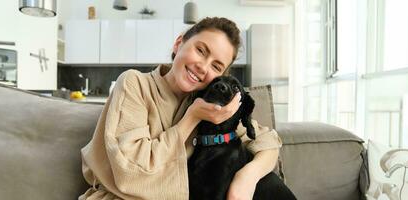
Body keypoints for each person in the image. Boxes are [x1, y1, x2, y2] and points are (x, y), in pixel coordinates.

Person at [79, 17, 295, 200]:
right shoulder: (135, 84)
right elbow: (131, 173)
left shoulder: (209, 106)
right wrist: (191, 118)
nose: (203, 66)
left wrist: (246, 178)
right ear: (178, 44)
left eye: (216, 66)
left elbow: (267, 141)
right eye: (201, 50)